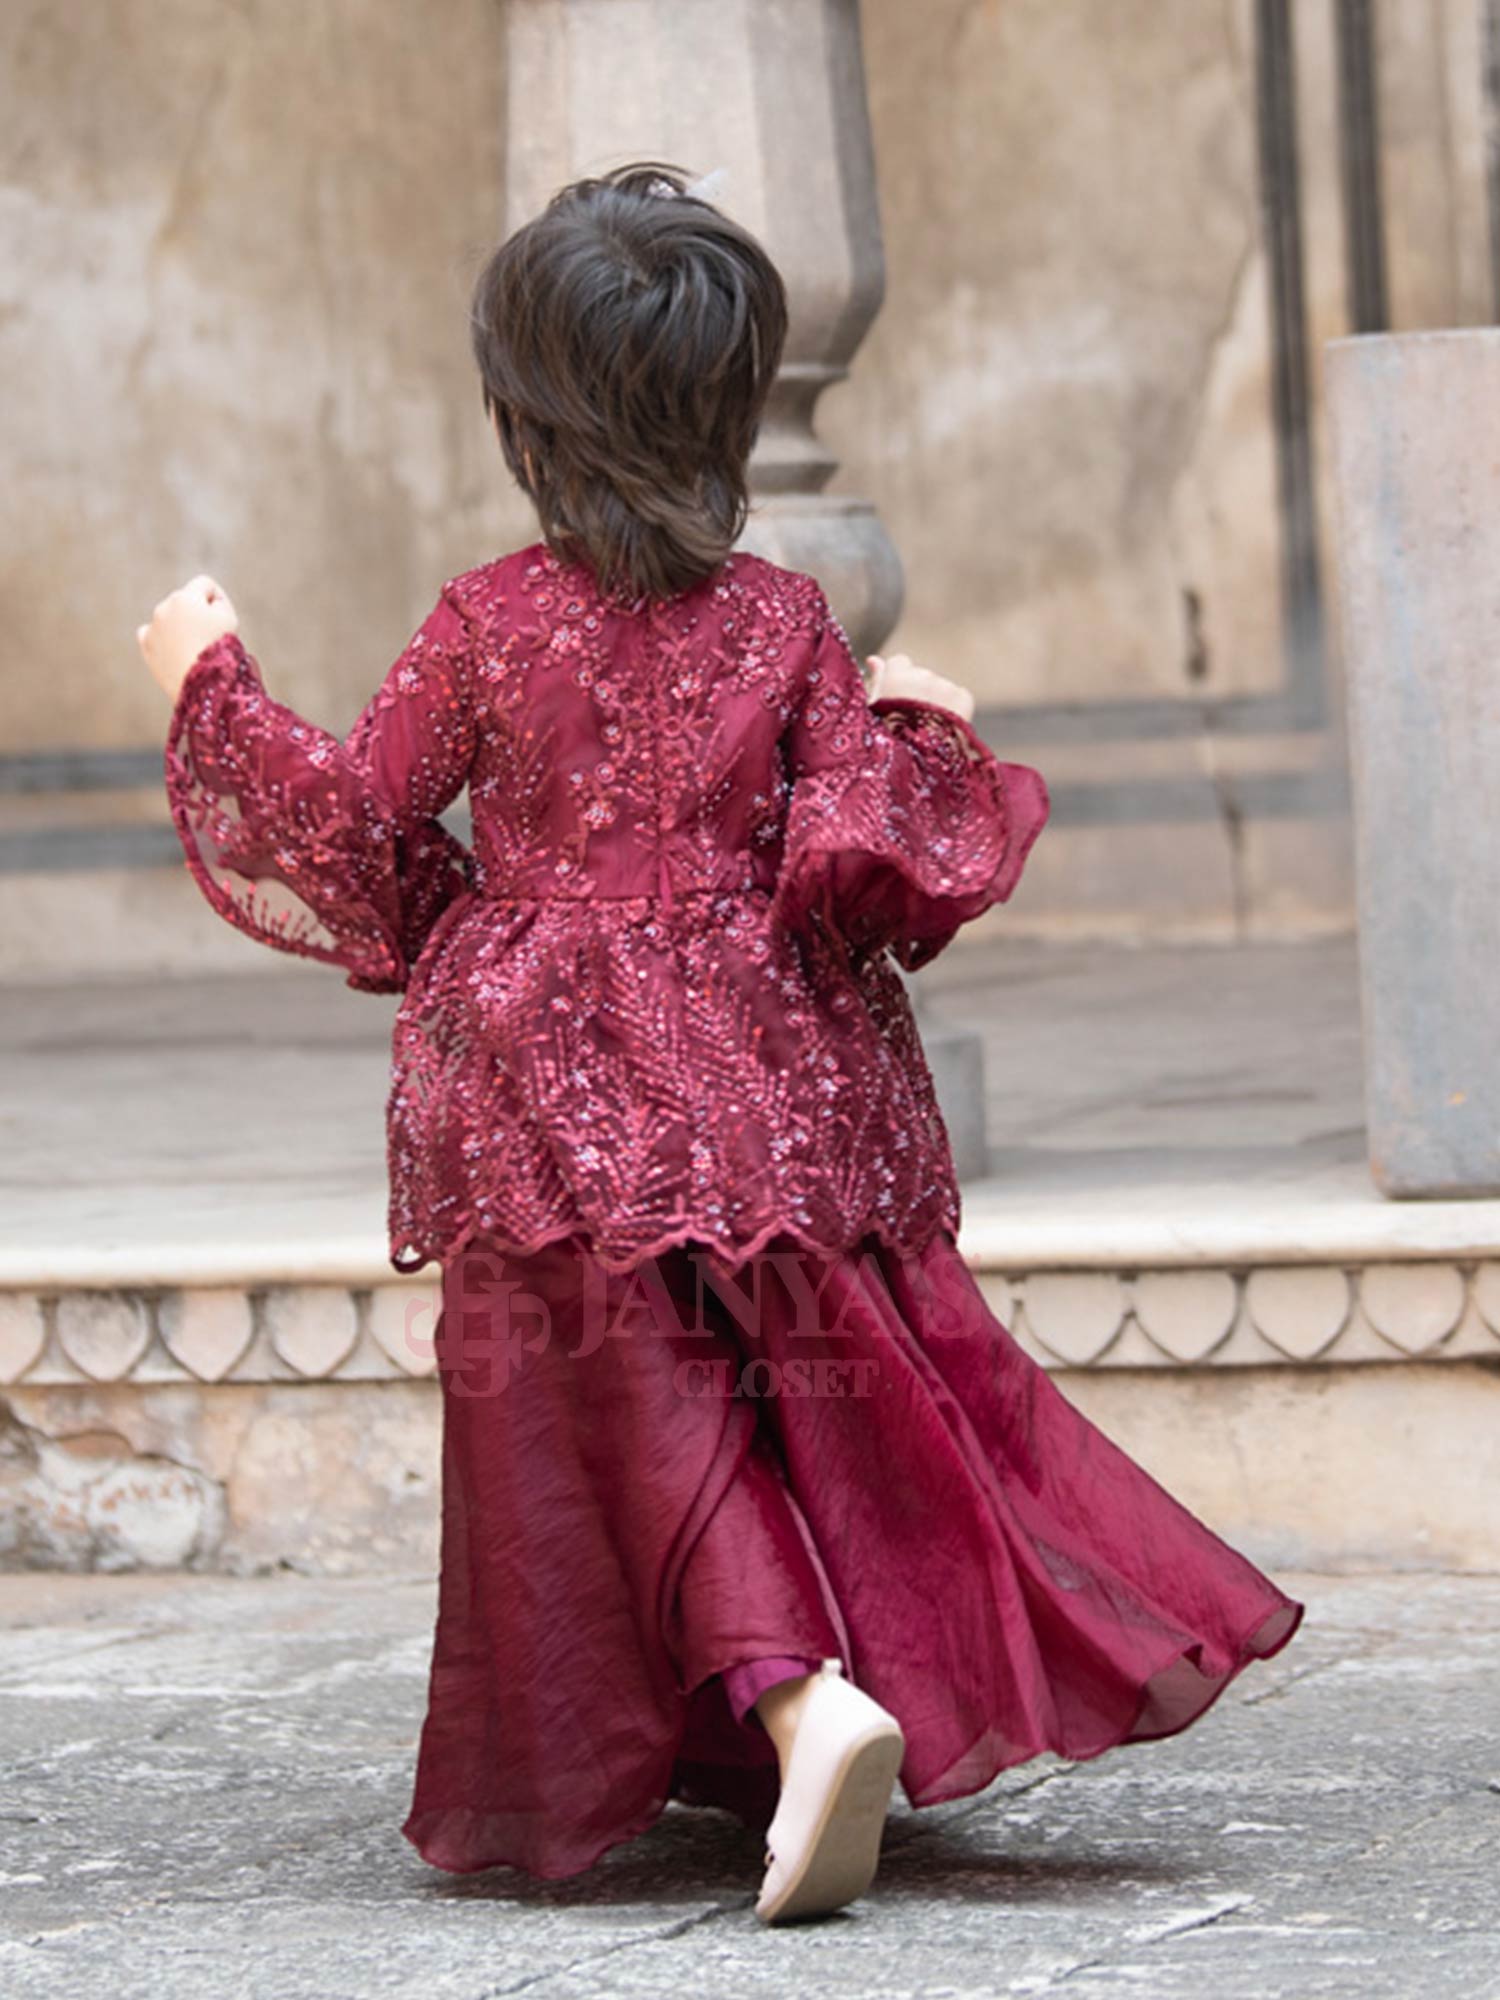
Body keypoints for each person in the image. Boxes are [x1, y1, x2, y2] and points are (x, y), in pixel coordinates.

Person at [137, 162, 1305, 1926]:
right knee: (792, 1388)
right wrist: (927, 740)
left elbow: (359, 824)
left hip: (548, 1087)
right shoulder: (784, 622)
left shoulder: (487, 622)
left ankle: (799, 1697)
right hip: (774, 1071)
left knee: (613, 1395)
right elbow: (858, 860)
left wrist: (206, 686)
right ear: (734, 407)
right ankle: (808, 1697)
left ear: (522, 415)